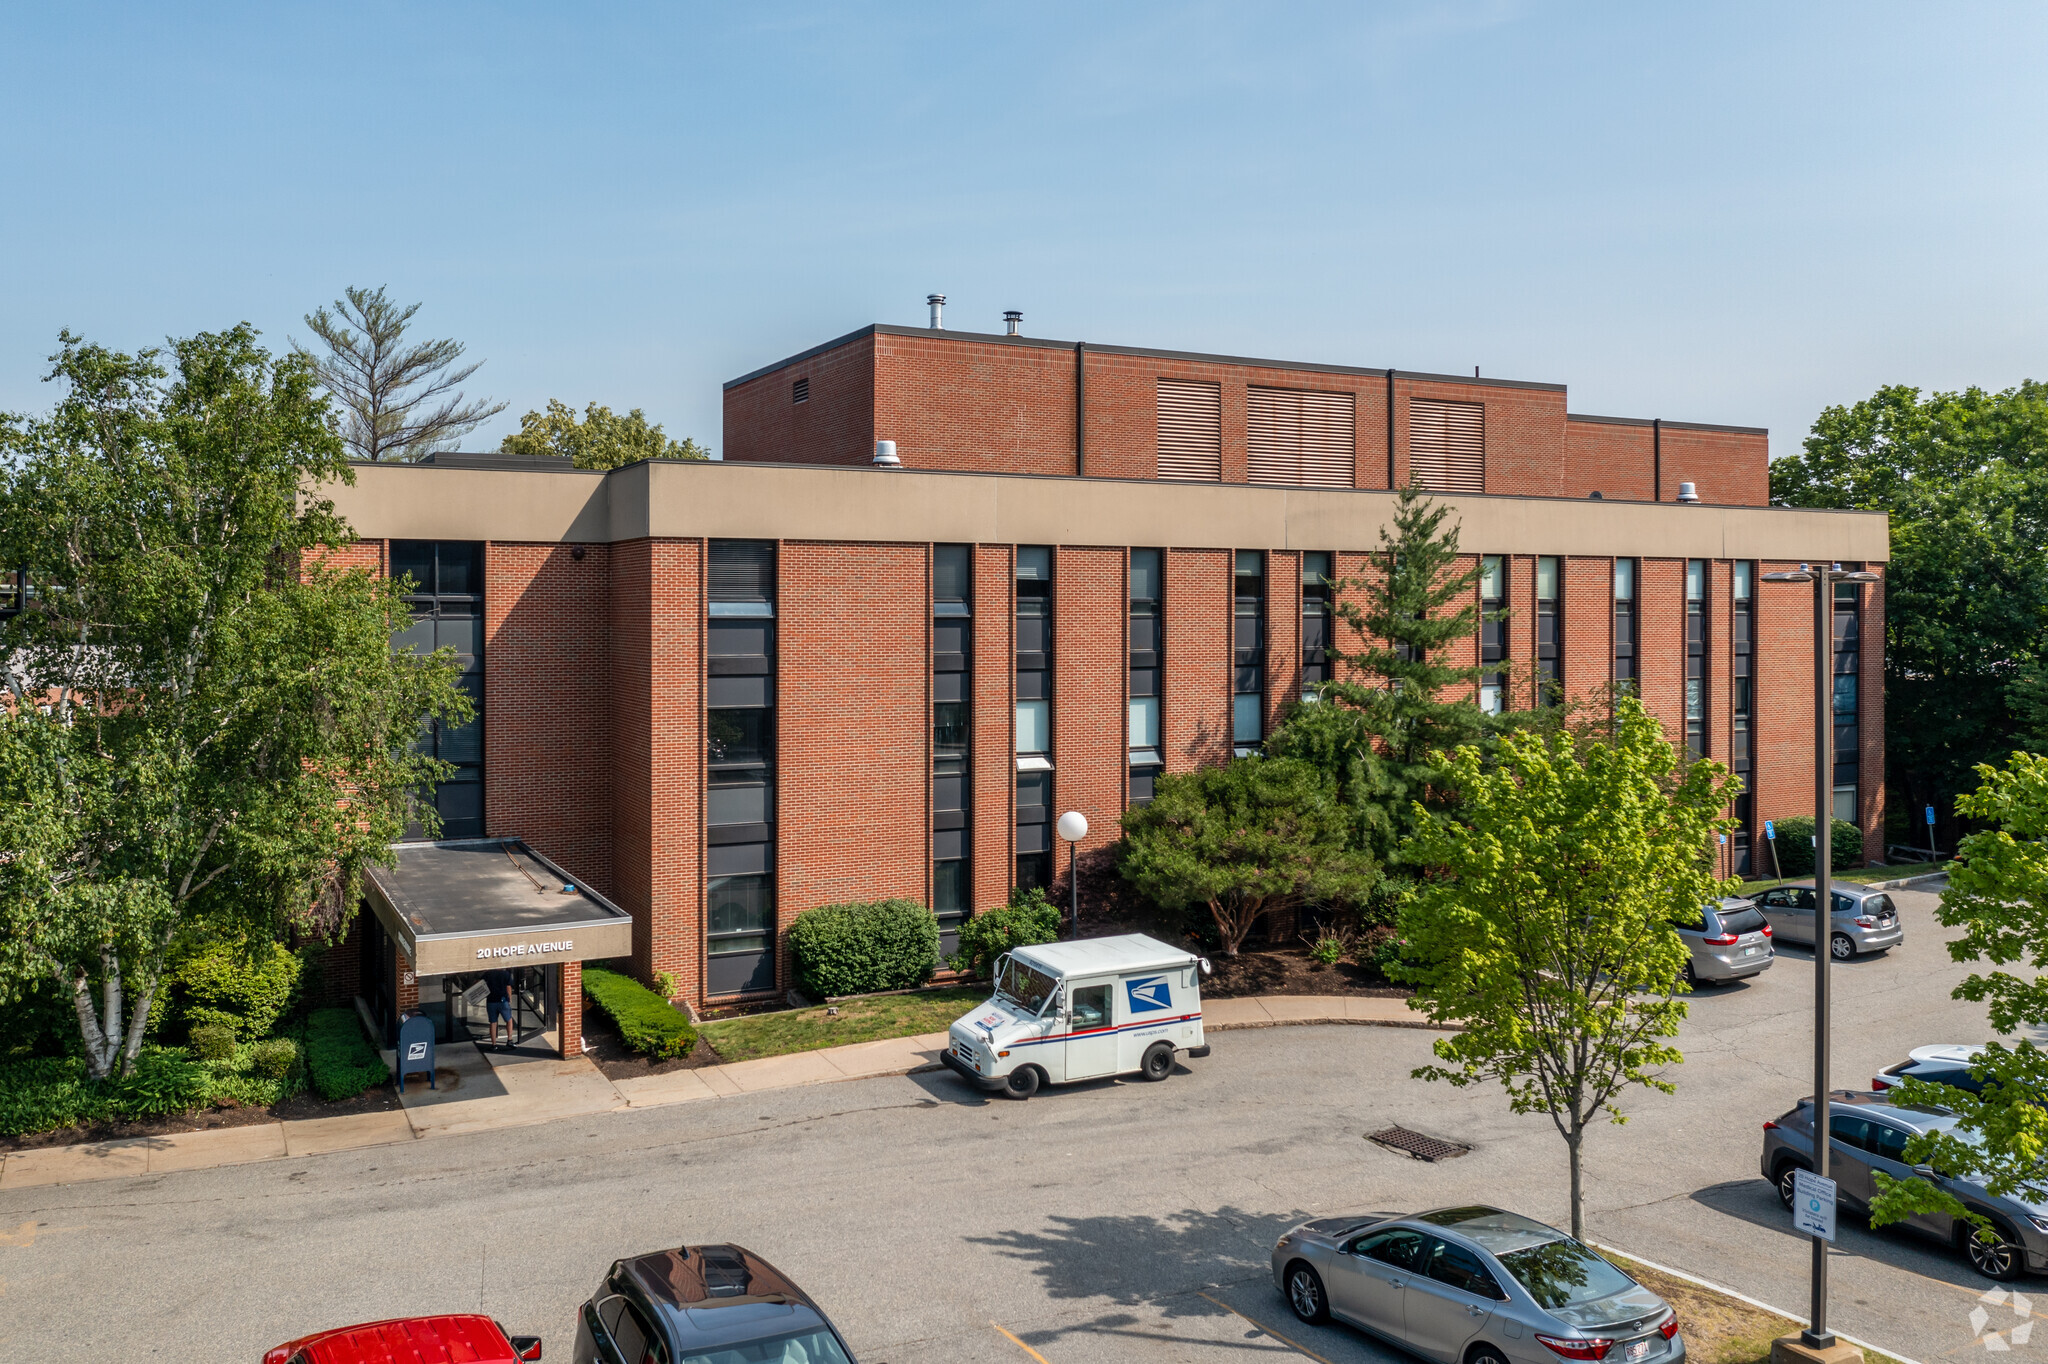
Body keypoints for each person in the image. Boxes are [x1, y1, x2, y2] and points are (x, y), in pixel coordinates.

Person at [483, 967, 514, 1048]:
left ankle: (494, 1044)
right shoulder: (506, 974)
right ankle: (509, 1040)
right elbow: (508, 987)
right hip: (503, 1001)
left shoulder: (489, 973)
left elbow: (480, 983)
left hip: (491, 1001)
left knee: (493, 1023)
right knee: (509, 1020)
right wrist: (509, 998)